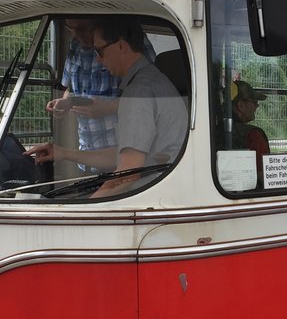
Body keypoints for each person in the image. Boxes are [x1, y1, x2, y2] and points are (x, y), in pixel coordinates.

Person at [27, 18, 186, 197]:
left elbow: (129, 172)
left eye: (99, 51)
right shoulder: (149, 80)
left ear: (121, 47)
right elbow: (125, 155)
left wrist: (87, 211)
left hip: (155, 194)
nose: (97, 59)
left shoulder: (138, 93)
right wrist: (63, 153)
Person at [46, 18, 154, 170]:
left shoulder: (129, 41)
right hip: (86, 156)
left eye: (83, 28)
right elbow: (70, 87)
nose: (77, 35)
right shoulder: (75, 45)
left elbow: (151, 94)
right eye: (71, 29)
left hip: (122, 156)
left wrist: (108, 107)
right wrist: (66, 102)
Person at [227, 79, 270, 183]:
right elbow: (265, 177)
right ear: (241, 105)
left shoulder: (215, 131)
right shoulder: (253, 135)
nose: (257, 106)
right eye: (254, 102)